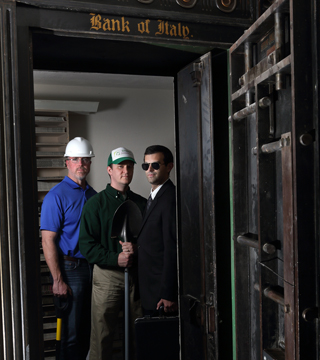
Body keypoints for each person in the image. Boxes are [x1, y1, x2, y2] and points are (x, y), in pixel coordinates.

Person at [78, 146, 146, 360]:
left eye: (129, 166)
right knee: (102, 334)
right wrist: (115, 257)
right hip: (107, 276)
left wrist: (137, 249)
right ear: (109, 170)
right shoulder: (95, 205)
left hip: (136, 276)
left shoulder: (142, 203)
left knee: (139, 332)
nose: (125, 171)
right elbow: (87, 246)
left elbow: (152, 242)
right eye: (120, 166)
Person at [40, 137, 96, 360]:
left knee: (86, 333)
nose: (80, 163)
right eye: (75, 159)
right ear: (67, 162)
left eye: (85, 159)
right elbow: (48, 241)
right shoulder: (56, 196)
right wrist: (57, 279)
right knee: (70, 335)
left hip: (93, 269)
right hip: (70, 270)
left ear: (90, 163)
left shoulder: (94, 195)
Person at [137, 145, 178, 316]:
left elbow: (172, 247)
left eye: (155, 165)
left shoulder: (170, 198)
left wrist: (168, 293)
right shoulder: (153, 197)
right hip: (150, 290)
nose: (150, 170)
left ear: (169, 167)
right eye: (146, 166)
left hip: (161, 294)